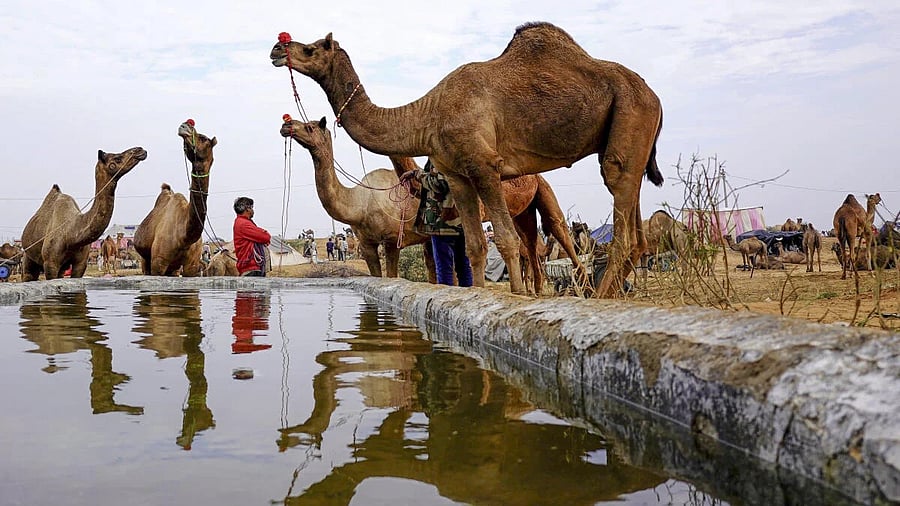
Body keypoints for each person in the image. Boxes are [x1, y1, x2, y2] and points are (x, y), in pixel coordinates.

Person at [401, 160, 473, 286]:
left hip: (443, 224)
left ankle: (445, 302)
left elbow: (439, 183)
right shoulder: (460, 155)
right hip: (464, 219)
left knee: (444, 268)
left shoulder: (440, 156)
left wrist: (417, 175)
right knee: (463, 266)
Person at [232, 196, 271, 276]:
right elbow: (266, 237)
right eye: (252, 207)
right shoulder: (244, 224)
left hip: (251, 268)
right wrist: (263, 233)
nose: (253, 210)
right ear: (247, 209)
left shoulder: (242, 222)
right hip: (251, 268)